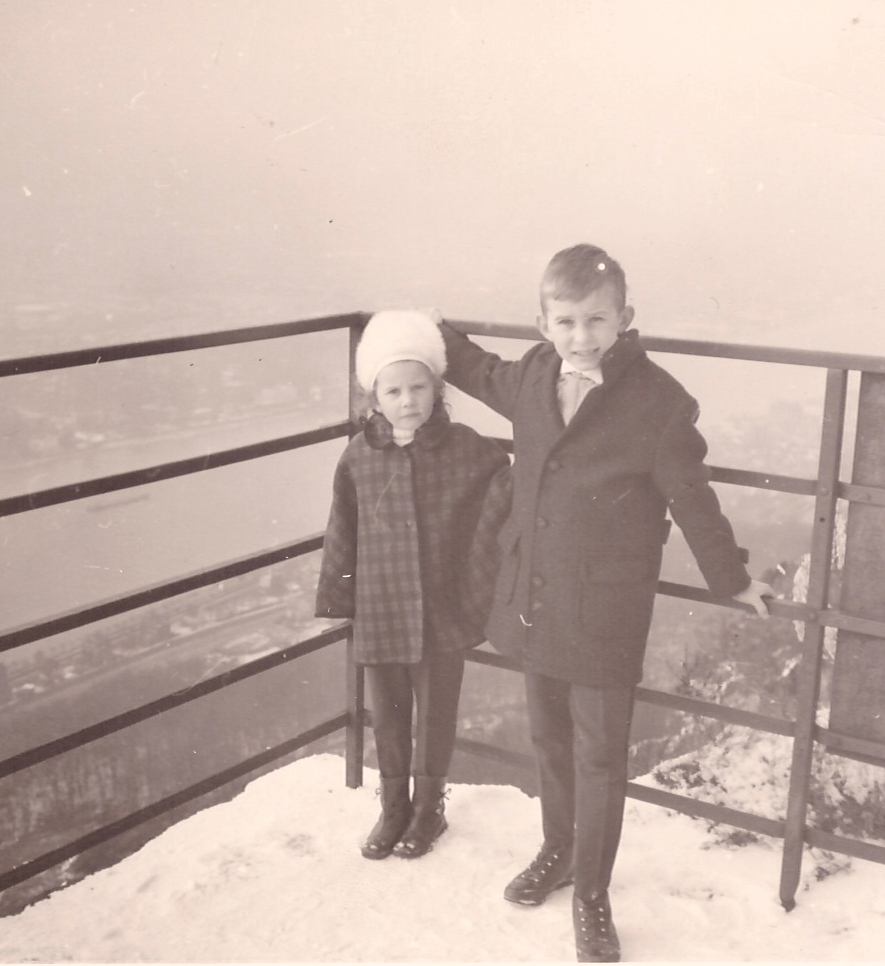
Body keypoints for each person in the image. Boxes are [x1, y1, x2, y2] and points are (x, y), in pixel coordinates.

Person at [436, 244, 773, 962]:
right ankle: (557, 850)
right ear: (542, 324)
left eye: (596, 319)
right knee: (547, 738)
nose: (581, 336)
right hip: (533, 595)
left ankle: (592, 892)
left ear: (625, 317)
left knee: (598, 755)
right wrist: (421, 332)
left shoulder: (657, 401)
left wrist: (732, 579)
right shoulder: (532, 374)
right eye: (565, 321)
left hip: (604, 612)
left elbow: (692, 498)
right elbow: (473, 369)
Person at [315, 310, 510, 862]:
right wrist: (341, 596)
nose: (408, 401)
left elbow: (505, 490)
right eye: (394, 390)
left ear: (437, 388)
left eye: (419, 387)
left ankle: (429, 809)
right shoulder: (359, 456)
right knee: (388, 711)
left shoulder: (467, 448)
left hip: (442, 605)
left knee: (438, 711)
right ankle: (393, 807)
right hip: (381, 606)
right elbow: (343, 527)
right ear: (374, 397)